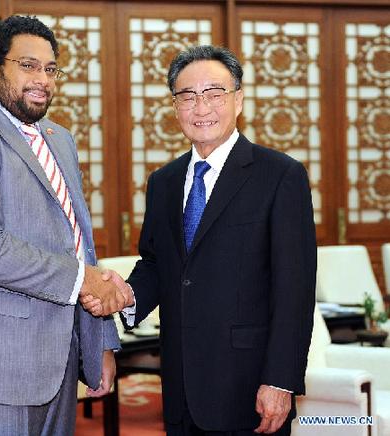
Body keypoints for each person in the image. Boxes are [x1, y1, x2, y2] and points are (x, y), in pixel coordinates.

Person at [82, 45, 316, 435]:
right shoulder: (164, 182)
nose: (201, 107)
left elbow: (295, 290)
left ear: (238, 99)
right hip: (181, 385)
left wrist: (280, 381)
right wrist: (124, 295)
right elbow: (157, 265)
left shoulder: (280, 177)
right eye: (187, 96)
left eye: (214, 93)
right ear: (175, 106)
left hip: (249, 387)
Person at [0, 15, 132, 435]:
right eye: (28, 65)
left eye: (50, 68)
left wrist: (102, 344)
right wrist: (87, 280)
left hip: (57, 366)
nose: (43, 78)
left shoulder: (58, 138)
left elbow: (78, 244)